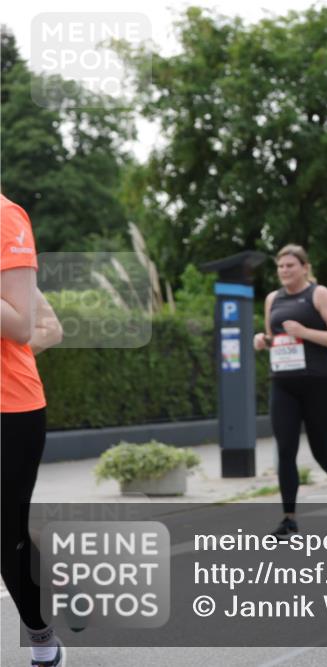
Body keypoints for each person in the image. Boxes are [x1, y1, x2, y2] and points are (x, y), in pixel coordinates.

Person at [1, 194, 67, 667]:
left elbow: (27, 326)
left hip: (11, 409)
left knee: (6, 536)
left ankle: (42, 637)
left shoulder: (6, 217)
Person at [253, 244, 327, 538]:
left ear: (305, 267)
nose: (284, 271)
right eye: (280, 266)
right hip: (283, 382)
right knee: (285, 449)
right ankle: (289, 519)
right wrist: (263, 340)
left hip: (319, 382)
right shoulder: (273, 298)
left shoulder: (319, 294)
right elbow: (275, 338)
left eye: (290, 266)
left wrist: (305, 332)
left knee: (319, 448)